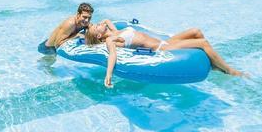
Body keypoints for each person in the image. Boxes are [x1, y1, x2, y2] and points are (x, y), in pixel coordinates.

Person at [85, 19, 245, 87]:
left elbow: (106, 20)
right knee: (202, 43)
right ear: (99, 36)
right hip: (160, 48)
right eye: (95, 26)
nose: (98, 23)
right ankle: (228, 70)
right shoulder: (110, 40)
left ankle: (214, 65)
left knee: (196, 31)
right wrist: (108, 76)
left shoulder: (115, 31)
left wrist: (90, 28)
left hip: (164, 42)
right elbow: (112, 55)